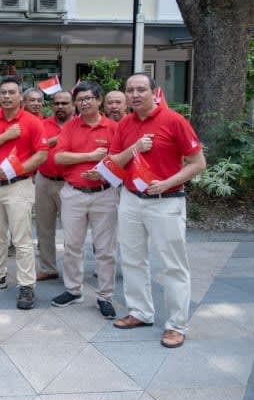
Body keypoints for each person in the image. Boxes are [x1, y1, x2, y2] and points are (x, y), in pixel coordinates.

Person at [108, 73, 205, 349]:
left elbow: (198, 163)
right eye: (130, 90)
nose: (135, 94)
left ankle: (176, 325)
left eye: (141, 89)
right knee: (132, 259)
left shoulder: (174, 121)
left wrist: (167, 182)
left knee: (173, 265)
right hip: (131, 199)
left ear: (154, 92)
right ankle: (140, 312)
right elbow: (114, 161)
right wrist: (134, 148)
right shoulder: (125, 123)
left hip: (167, 200)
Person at [0, 77, 48, 310]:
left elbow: (42, 154)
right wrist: (6, 135)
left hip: (19, 186)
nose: (6, 96)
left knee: (21, 239)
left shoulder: (32, 122)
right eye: (3, 92)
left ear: (20, 96)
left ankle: (26, 285)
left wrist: (19, 169)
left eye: (11, 92)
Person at [49, 82, 119, 318]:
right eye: (80, 99)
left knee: (105, 249)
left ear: (99, 100)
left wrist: (103, 172)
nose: (84, 103)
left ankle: (105, 296)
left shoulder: (113, 127)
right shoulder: (70, 127)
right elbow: (59, 157)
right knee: (72, 246)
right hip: (74, 193)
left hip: (105, 193)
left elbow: (122, 159)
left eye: (89, 98)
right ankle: (73, 290)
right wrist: (89, 156)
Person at [34, 90, 72, 281]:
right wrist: (53, 141)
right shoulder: (43, 124)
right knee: (44, 227)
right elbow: (34, 148)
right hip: (45, 180)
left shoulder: (78, 125)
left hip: (69, 184)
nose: (60, 107)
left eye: (64, 103)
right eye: (56, 103)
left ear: (72, 105)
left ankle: (72, 270)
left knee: (72, 230)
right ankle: (48, 267)